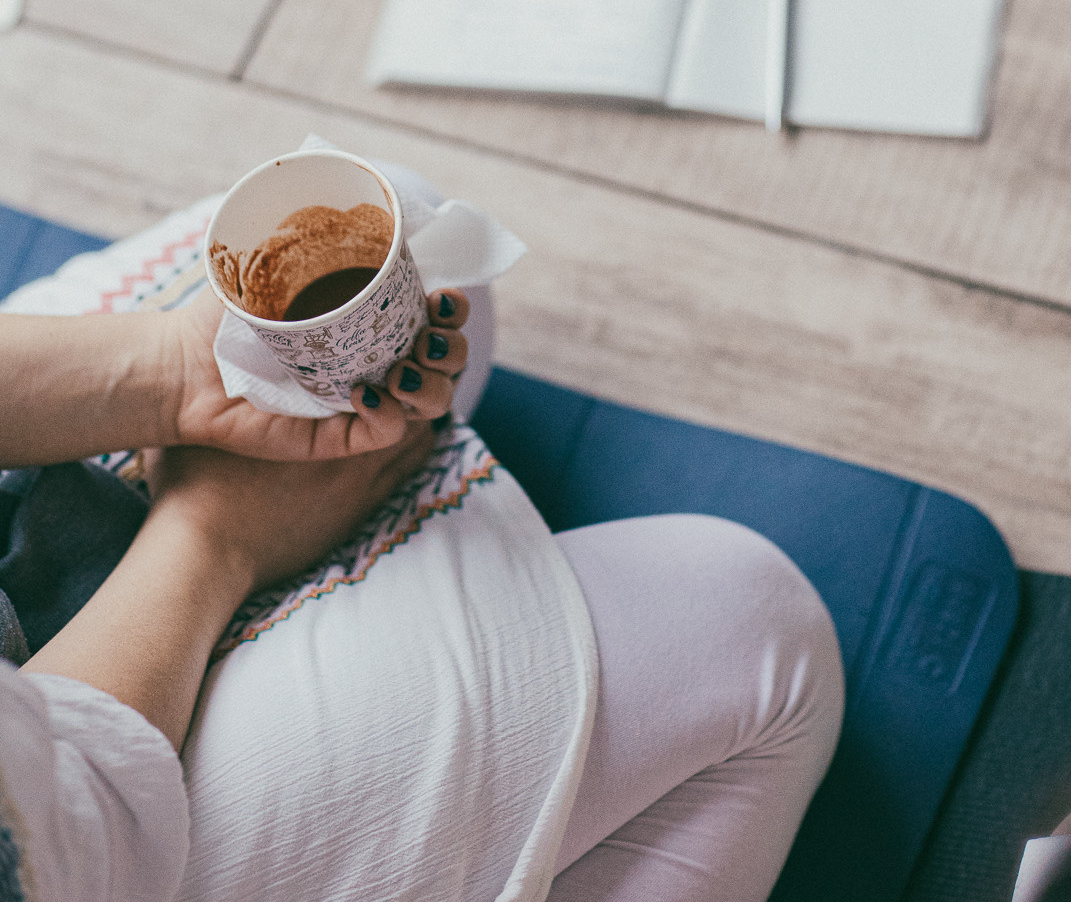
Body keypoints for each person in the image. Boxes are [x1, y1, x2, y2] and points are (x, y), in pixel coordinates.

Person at [0, 278, 844, 902]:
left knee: (417, 281)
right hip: (71, 840)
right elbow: (63, 844)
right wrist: (213, 537)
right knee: (743, 617)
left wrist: (174, 375)